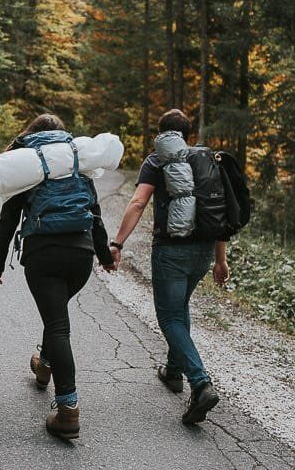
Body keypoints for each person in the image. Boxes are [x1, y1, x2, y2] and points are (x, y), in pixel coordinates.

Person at [0, 113, 116, 440]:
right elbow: (95, 213)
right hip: (81, 256)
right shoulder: (75, 161)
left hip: (44, 256)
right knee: (56, 315)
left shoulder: (28, 165)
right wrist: (104, 256)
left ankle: (68, 410)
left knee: (58, 325)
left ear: (32, 134)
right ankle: (44, 365)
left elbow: (9, 218)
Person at [108, 109, 230, 425]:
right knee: (180, 308)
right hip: (203, 251)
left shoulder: (156, 161)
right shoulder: (205, 159)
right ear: (187, 135)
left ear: (162, 134)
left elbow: (138, 202)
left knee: (170, 316)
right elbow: (218, 211)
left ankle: (200, 384)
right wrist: (220, 259)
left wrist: (117, 243)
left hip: (171, 251)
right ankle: (173, 371)